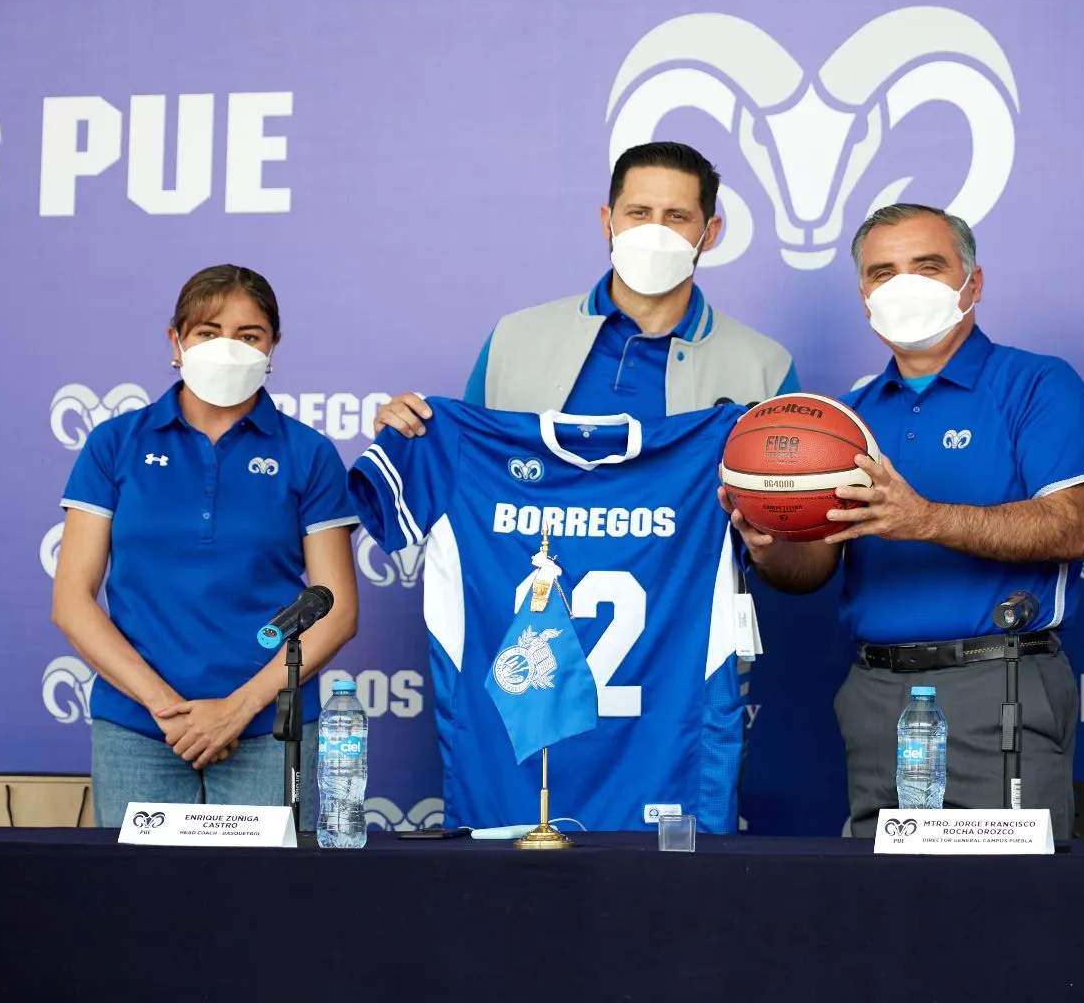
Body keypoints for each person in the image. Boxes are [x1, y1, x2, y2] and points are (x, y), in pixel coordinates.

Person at [725, 204, 1084, 838]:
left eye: (927, 267)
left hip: (997, 679)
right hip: (875, 690)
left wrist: (924, 519)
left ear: (973, 282)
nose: (903, 285)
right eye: (883, 272)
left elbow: (1071, 528)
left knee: (1009, 892)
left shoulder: (1037, 384)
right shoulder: (843, 421)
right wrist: (769, 545)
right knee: (883, 895)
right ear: (864, 296)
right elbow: (813, 568)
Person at [51, 265, 361, 827]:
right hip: (138, 725)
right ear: (176, 342)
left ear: (273, 346)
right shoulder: (114, 444)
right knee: (138, 884)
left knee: (266, 885)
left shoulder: (309, 452)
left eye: (249, 336)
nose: (227, 348)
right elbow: (72, 601)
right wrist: (166, 708)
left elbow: (334, 610)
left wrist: (236, 710)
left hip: (269, 726)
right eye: (208, 332)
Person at [372, 141, 797, 438]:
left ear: (711, 232)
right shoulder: (514, 339)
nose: (654, 232)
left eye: (676, 217)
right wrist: (406, 432)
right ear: (607, 221)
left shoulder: (764, 367)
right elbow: (465, 464)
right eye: (638, 213)